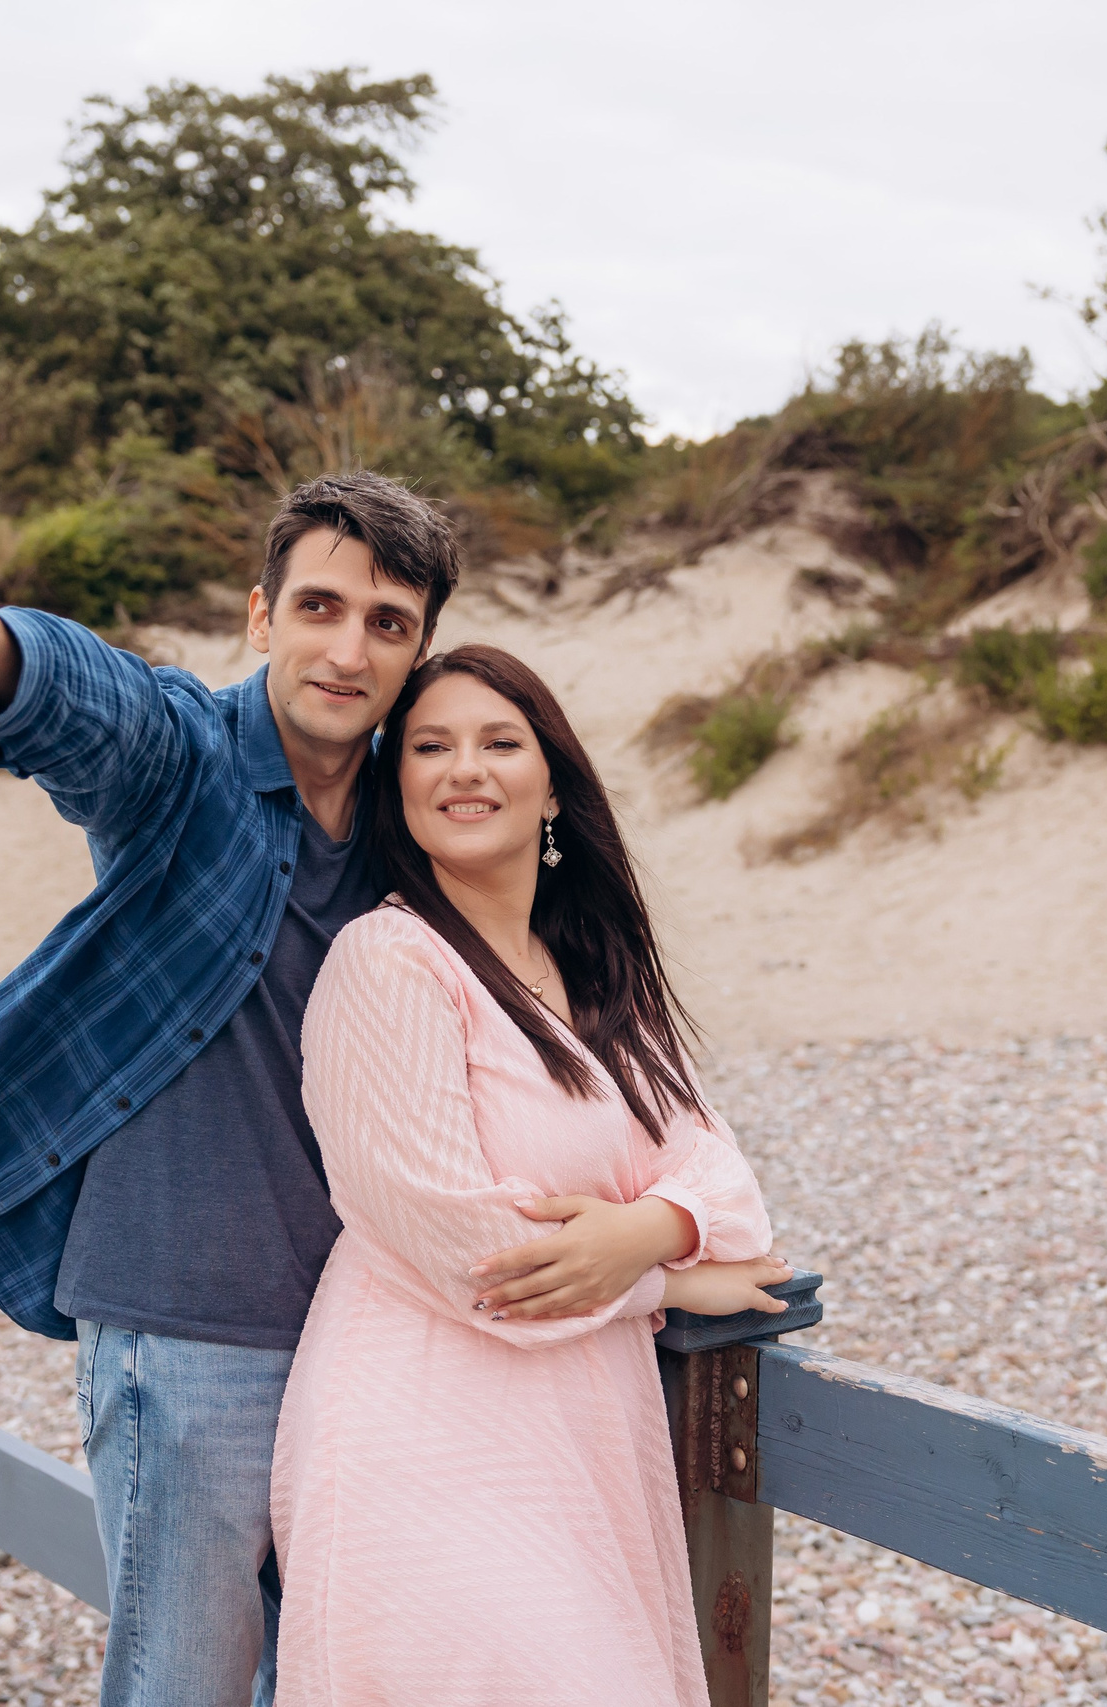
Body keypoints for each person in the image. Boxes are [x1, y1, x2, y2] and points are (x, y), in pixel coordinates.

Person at [0, 475, 704, 1707]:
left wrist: (654, 1227)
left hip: (371, 1342)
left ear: (416, 649)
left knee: (322, 1676)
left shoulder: (407, 820)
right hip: (184, 1332)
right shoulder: (186, 766)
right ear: (262, 617)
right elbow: (92, 703)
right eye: (319, 606)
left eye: (386, 622)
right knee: (184, 1683)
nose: (346, 646)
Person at [273, 643, 794, 1705]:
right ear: (398, 784)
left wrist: (644, 1233)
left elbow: (723, 1180)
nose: (465, 768)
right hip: (421, 1437)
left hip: (586, 1440)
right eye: (430, 747)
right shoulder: (389, 963)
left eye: (498, 742)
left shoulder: (599, 975)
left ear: (551, 782)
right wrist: (665, 1281)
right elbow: (463, 1241)